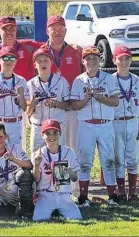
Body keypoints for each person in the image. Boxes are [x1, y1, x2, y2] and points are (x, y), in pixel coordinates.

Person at [0, 16, 42, 150]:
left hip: (18, 111)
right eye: (4, 29)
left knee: (18, 151)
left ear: (16, 29)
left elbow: (49, 47)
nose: (9, 32)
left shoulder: (28, 47)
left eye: (12, 28)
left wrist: (73, 46)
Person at [70, 46, 120, 206]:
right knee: (84, 161)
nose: (91, 61)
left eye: (94, 58)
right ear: (83, 61)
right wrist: (86, 100)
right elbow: (75, 105)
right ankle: (83, 197)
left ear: (99, 60)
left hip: (105, 124)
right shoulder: (78, 80)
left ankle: (113, 196)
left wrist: (100, 98)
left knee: (109, 160)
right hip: (86, 125)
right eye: (88, 58)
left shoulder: (109, 78)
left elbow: (115, 101)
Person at [41, 15, 84, 198]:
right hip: (46, 108)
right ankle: (47, 190)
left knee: (68, 148)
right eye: (54, 28)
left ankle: (69, 190)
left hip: (70, 107)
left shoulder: (75, 51)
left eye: (61, 28)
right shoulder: (41, 51)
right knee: (49, 148)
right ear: (47, 31)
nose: (57, 32)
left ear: (65, 30)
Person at [112, 45, 139, 201]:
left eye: (127, 58)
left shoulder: (137, 80)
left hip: (133, 121)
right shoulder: (110, 80)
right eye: (121, 59)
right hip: (116, 122)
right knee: (118, 158)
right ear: (114, 60)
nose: (124, 62)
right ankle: (120, 192)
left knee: (132, 158)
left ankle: (133, 193)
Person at [32, 119, 82, 221]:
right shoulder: (38, 154)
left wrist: (69, 170)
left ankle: (58, 208)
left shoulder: (69, 152)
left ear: (60, 134)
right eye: (48, 133)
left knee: (76, 218)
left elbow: (74, 178)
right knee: (38, 219)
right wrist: (36, 165)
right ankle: (54, 209)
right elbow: (36, 180)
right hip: (46, 194)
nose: (51, 136)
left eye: (55, 133)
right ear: (42, 135)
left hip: (64, 194)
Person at [0, 121, 34, 219]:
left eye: (0, 137)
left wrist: (15, 160)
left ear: (6, 136)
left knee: (24, 174)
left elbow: (30, 165)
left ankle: (25, 208)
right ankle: (9, 208)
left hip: (19, 188)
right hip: (2, 192)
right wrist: (5, 195)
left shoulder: (15, 148)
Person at [0, 46, 30, 145]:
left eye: (12, 58)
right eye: (5, 58)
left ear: (16, 61)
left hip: (16, 123)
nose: (9, 61)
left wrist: (21, 95)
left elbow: (24, 108)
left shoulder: (21, 80)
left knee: (16, 155)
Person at [26, 48, 70, 155]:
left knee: (59, 156)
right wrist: (32, 105)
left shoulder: (61, 81)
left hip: (57, 125)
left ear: (51, 62)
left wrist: (56, 103)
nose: (43, 63)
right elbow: (27, 112)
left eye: (45, 60)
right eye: (39, 61)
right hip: (38, 126)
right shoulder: (30, 84)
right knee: (36, 156)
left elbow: (69, 105)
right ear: (34, 65)